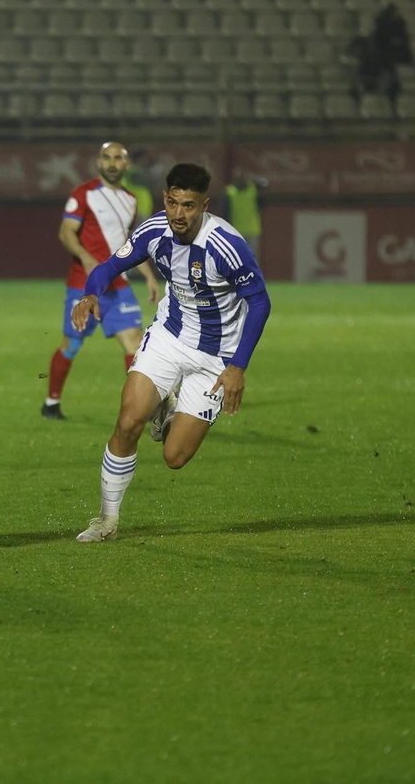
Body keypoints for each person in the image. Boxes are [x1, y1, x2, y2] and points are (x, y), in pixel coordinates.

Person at [71, 163, 272, 542]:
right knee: (128, 421)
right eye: (173, 203)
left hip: (215, 357)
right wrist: (90, 294)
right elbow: (108, 267)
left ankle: (168, 406)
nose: (179, 214)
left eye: (189, 206)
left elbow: (260, 303)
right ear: (165, 198)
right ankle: (107, 520)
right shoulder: (154, 231)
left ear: (204, 205)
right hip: (169, 337)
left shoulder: (225, 245)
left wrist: (237, 367)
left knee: (175, 457)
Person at [43, 142, 160, 421]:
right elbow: (66, 232)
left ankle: (141, 407)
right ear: (99, 162)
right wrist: (85, 256)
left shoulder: (131, 200)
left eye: (117, 158)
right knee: (72, 344)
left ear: (126, 164)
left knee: (134, 343)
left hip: (118, 285)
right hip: (84, 284)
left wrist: (149, 276)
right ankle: (51, 403)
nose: (111, 163)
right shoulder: (84, 194)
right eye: (106, 158)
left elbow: (129, 245)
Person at [223, 167, 264, 255]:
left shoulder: (253, 190)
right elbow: (226, 212)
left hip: (250, 231)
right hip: (240, 231)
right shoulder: (231, 192)